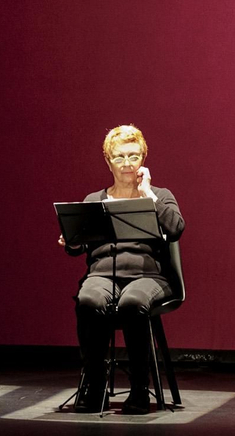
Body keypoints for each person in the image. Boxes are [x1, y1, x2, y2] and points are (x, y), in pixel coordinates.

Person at [60, 124, 185, 414]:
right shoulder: (95, 200)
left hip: (148, 276)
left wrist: (147, 194)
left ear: (144, 158)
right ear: (108, 161)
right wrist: (71, 240)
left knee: (132, 303)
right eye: (119, 157)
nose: (127, 164)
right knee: (88, 300)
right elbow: (77, 248)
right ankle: (94, 385)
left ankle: (140, 388)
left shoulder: (160, 195)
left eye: (133, 156)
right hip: (103, 274)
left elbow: (176, 229)